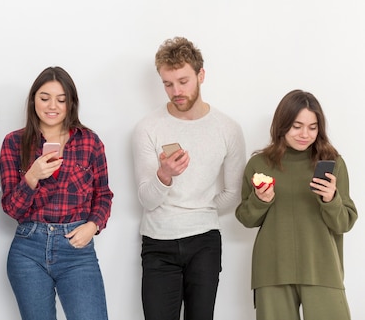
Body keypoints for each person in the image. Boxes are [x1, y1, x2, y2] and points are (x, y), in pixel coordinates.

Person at [131, 37, 246, 320]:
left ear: (201, 75)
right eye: (168, 84)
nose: (176, 91)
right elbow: (146, 198)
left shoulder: (228, 129)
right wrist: (164, 175)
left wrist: (199, 209)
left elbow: (233, 194)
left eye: (183, 81)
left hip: (205, 242)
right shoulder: (148, 127)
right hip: (158, 243)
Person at [0, 66, 114, 320]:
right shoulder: (14, 143)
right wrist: (32, 176)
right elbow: (11, 209)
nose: (52, 106)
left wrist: (93, 226)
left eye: (61, 99)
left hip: (76, 248)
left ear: (71, 103)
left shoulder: (89, 141)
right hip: (28, 248)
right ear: (33, 101)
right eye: (44, 98)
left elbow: (103, 194)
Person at [235, 89, 358, 320]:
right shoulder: (259, 164)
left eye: (313, 127)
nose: (305, 134)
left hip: (322, 268)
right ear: (282, 125)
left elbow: (344, 223)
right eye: (296, 126)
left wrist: (331, 199)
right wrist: (260, 201)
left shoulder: (332, 163)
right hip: (272, 270)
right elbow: (245, 218)